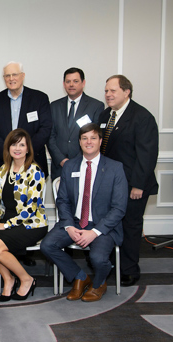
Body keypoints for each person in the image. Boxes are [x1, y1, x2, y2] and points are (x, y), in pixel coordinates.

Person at [41, 123, 128, 301]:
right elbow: (62, 200)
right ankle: (80, 277)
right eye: (84, 138)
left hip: (102, 225)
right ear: (79, 142)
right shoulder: (70, 166)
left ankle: (98, 284)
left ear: (100, 141)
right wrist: (68, 226)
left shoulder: (115, 168)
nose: (89, 142)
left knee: (98, 258)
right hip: (74, 221)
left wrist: (94, 232)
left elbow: (119, 208)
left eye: (93, 138)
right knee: (47, 245)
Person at [98, 75, 159, 287]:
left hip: (134, 185)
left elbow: (147, 155)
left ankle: (130, 270)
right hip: (111, 184)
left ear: (127, 92)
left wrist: (138, 185)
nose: (108, 95)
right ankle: (113, 264)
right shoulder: (106, 115)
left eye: (113, 91)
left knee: (131, 227)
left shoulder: (142, 117)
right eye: (106, 91)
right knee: (112, 225)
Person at [0, 128, 48, 302]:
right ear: (8, 147)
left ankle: (26, 279)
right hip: (7, 220)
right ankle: (8, 279)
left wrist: (6, 225)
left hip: (31, 223)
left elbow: (30, 209)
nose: (17, 148)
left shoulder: (35, 171)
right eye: (14, 144)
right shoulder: (3, 169)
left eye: (22, 145)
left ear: (28, 149)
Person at [0, 61, 52, 181]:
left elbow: (45, 128)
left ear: (23, 75)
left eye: (15, 74)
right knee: (4, 199)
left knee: (32, 199)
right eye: (7, 75)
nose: (11, 78)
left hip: (33, 162)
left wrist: (26, 151)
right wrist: (7, 153)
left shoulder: (39, 98)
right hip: (3, 163)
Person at [48, 67, 104, 180]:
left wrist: (77, 161)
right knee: (61, 197)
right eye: (68, 81)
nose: (71, 85)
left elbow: (95, 138)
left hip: (85, 164)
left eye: (75, 81)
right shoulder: (54, 106)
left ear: (83, 83)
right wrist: (61, 160)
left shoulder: (96, 106)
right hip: (59, 166)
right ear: (64, 84)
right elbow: (50, 136)